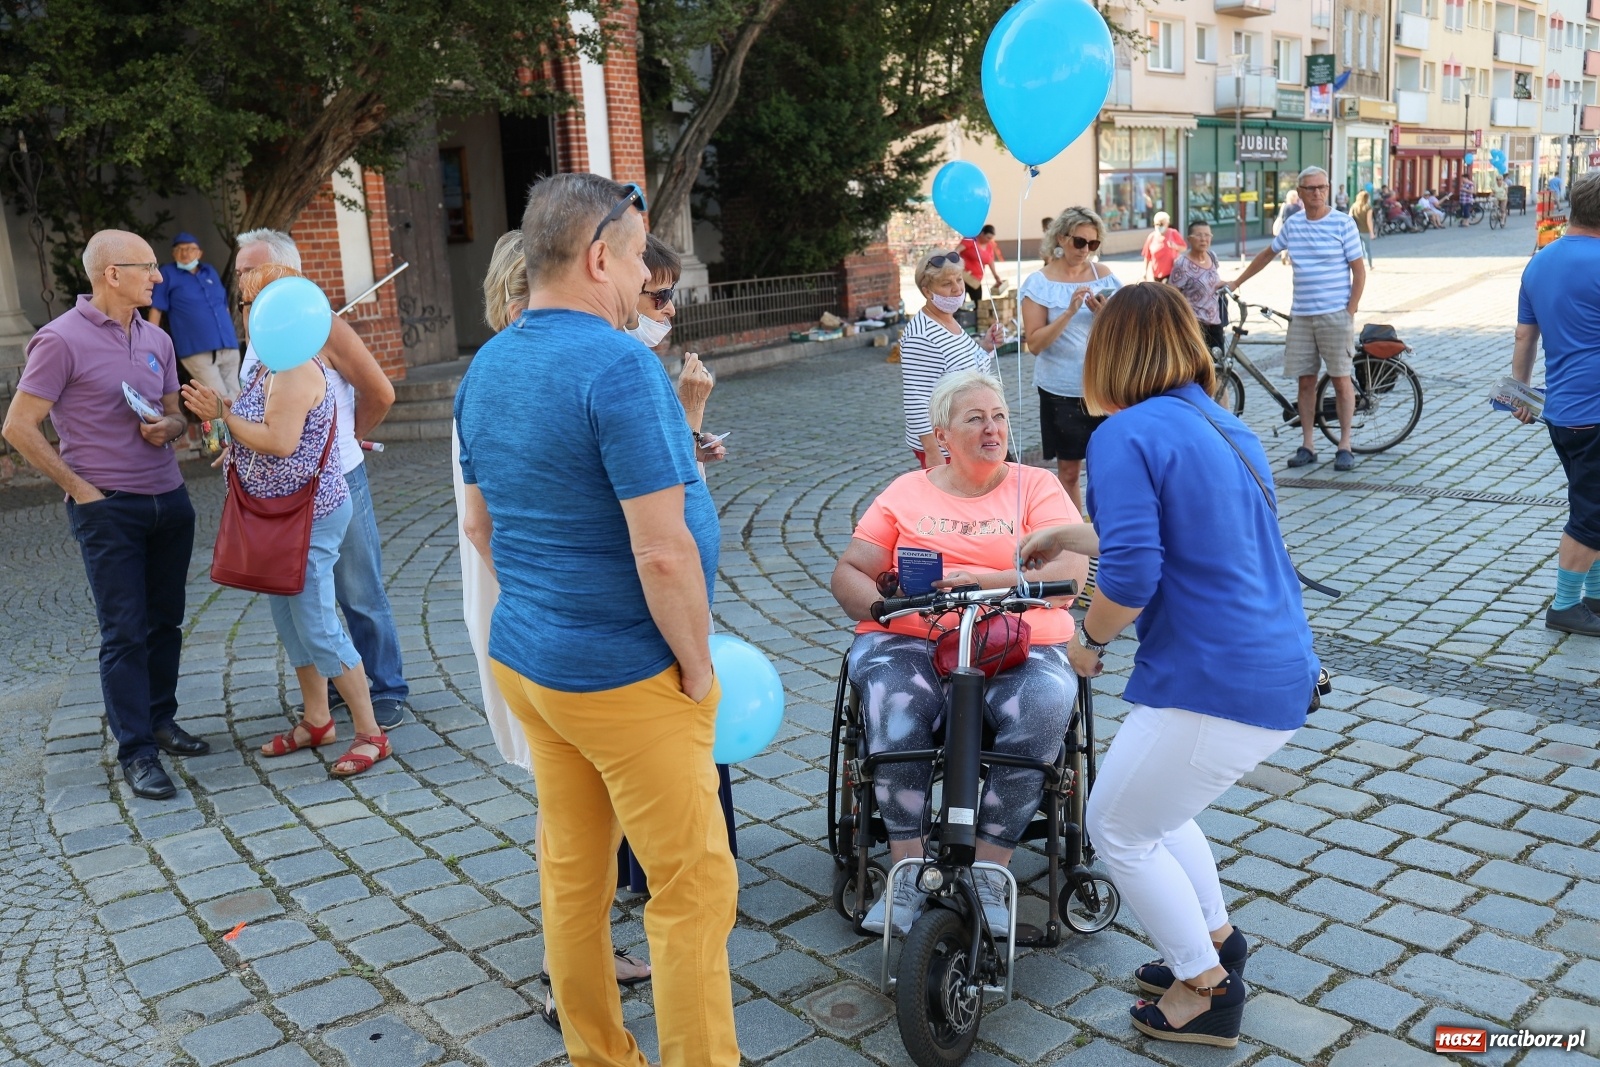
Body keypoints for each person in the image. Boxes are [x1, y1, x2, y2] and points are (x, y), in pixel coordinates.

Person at [456, 174, 737, 1067]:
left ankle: (598, 1054)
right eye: (638, 256)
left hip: (533, 662)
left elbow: (478, 525)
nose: (646, 278)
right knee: (692, 887)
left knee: (574, 874)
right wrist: (696, 665)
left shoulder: (487, 362)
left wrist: (549, 600)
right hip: (624, 674)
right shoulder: (618, 365)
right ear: (596, 256)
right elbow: (662, 551)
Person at [1021, 283, 1319, 1050]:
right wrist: (1072, 534)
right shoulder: (1221, 422)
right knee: (1155, 809)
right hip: (1272, 663)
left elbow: (1131, 576)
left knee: (1116, 827)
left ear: (1108, 353)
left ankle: (1206, 985)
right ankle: (1215, 938)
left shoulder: (1124, 433)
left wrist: (1087, 642)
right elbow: (1181, 531)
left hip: (1216, 675)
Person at [830, 370, 1093, 936]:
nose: (992, 429)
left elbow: (1071, 573)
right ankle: (908, 870)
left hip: (1018, 637)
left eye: (999, 417)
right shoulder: (907, 491)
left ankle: (989, 873)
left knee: (1046, 704)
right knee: (893, 703)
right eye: (975, 419)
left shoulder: (1036, 486)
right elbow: (850, 570)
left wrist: (986, 581)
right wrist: (881, 607)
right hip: (913, 636)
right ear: (941, 434)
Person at [2, 230, 205, 801]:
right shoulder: (59, 339)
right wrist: (80, 490)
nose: (158, 276)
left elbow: (174, 415)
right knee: (124, 632)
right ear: (112, 274)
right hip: (108, 508)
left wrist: (169, 427)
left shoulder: (156, 338)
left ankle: (160, 721)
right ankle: (137, 751)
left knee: (165, 623)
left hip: (170, 500)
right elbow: (18, 427)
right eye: (148, 267)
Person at [181, 264, 388, 778]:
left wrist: (224, 416)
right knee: (289, 620)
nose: (243, 314)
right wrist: (221, 416)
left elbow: (279, 440)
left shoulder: (295, 368)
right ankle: (318, 720)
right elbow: (251, 423)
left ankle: (371, 733)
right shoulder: (270, 363)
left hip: (306, 514)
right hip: (276, 515)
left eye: (248, 304)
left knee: (317, 622)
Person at [234, 230, 409, 728]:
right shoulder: (258, 326)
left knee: (358, 589)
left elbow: (381, 392)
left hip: (337, 480)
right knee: (306, 592)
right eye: (240, 272)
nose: (243, 281)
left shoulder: (324, 325)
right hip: (284, 489)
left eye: (252, 270)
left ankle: (385, 686)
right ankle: (335, 685)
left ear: (287, 272)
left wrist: (344, 440)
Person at [1227, 166, 1365, 471]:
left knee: (1341, 380)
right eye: (1310, 188)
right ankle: (1308, 444)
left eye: (1322, 187)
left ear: (1328, 189)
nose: (1317, 192)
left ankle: (1345, 445)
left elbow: (1359, 270)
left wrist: (1350, 310)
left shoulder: (1343, 223)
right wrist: (1236, 282)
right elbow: (1267, 254)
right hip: (1301, 315)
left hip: (1335, 315)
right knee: (1305, 381)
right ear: (1300, 193)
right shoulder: (1294, 224)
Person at [1512, 171, 1600, 637]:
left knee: (1592, 504)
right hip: (1595, 411)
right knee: (1591, 514)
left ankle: (1595, 595)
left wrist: (1520, 395)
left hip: (1564, 413)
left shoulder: (1539, 262)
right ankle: (1565, 605)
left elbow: (1525, 336)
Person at [1023, 207, 1121, 515]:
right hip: (1060, 389)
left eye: (1093, 243)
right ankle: (1076, 533)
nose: (1085, 250)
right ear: (1061, 238)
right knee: (1068, 471)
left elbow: (1124, 328)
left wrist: (1104, 315)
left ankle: (1107, 528)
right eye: (1080, 242)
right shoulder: (1039, 283)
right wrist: (1068, 312)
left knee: (1108, 466)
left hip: (1102, 386)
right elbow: (1035, 344)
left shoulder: (1103, 275)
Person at [901, 250, 1000, 468]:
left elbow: (964, 369)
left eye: (959, 279)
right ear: (927, 291)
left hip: (965, 434)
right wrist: (932, 451)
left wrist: (986, 347)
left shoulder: (947, 319)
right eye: (947, 284)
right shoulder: (922, 335)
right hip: (945, 444)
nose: (957, 288)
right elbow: (916, 399)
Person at [148, 231, 242, 400]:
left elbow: (223, 305)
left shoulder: (209, 271)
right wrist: (151, 343)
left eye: (190, 249)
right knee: (219, 400)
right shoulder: (167, 273)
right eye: (180, 249)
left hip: (228, 344)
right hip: (197, 349)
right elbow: (156, 309)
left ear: (199, 253)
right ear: (173, 253)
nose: (185, 253)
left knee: (237, 396)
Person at [1168, 221, 1225, 355]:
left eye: (1207, 235)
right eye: (1199, 235)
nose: (1204, 239)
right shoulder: (1182, 264)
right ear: (1189, 239)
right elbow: (1172, 295)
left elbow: (1212, 280)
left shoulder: (1212, 256)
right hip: (1194, 325)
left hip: (1215, 322)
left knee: (1218, 362)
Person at [959, 224, 1005, 304]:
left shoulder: (989, 246)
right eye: (988, 237)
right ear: (982, 233)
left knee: (977, 303)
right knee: (961, 302)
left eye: (991, 238)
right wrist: (958, 267)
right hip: (964, 277)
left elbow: (990, 261)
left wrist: (995, 276)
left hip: (976, 280)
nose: (989, 240)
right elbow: (956, 251)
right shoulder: (970, 240)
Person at [1141, 211, 1187, 283]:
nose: (1159, 226)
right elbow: (1147, 256)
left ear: (1167, 224)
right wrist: (1145, 271)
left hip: (1171, 272)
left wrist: (1175, 246)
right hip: (1157, 273)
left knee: (1167, 286)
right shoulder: (1151, 237)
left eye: (1162, 224)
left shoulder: (1173, 233)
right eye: (1157, 224)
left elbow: (1184, 247)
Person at [1350, 190, 1377, 269]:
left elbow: (1350, 217)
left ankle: (1358, 266)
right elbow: (1369, 220)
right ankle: (1370, 265)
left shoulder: (1354, 206)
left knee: (1357, 249)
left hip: (1355, 231)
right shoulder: (1368, 207)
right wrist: (1371, 232)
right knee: (1367, 249)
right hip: (1365, 231)